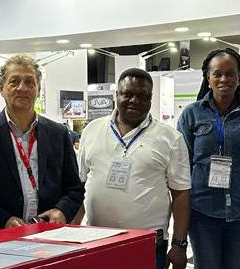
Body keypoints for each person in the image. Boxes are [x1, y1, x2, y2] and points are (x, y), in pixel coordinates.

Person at [75, 68, 191, 269]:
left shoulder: (170, 138)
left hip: (147, 244)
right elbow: (81, 185)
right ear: (116, 95)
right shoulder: (91, 130)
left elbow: (180, 193)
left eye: (142, 96)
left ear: (151, 98)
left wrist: (179, 244)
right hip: (95, 240)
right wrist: (72, 231)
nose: (134, 101)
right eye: (127, 94)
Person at [0, 54, 84, 232]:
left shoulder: (58, 133)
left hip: (48, 234)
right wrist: (3, 220)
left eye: (29, 82)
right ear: (1, 88)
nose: (22, 88)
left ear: (38, 89)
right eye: (14, 81)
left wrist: (61, 211)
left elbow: (74, 189)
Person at [176, 48, 240, 269]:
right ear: (208, 78)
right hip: (202, 213)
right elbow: (181, 169)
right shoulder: (192, 114)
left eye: (230, 73)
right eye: (217, 74)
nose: (224, 79)